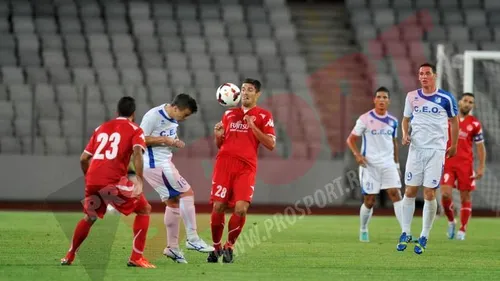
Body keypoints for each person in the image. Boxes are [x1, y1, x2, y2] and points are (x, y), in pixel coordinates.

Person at [60, 96, 156, 268]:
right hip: (113, 181)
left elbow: (83, 158)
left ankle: (70, 255)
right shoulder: (135, 129)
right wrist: (139, 181)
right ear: (133, 114)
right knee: (144, 210)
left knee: (90, 217)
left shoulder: (101, 128)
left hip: (93, 180)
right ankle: (136, 257)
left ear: (117, 112)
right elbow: (137, 153)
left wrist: (89, 179)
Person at [208, 78, 276, 263]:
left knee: (241, 208)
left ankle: (229, 246)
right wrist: (218, 136)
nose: (245, 92)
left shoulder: (264, 115)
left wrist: (252, 126)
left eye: (250, 90)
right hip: (224, 164)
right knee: (218, 206)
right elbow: (221, 144)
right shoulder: (229, 114)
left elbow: (271, 144)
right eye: (243, 89)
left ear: (257, 94)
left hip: (246, 167)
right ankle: (215, 248)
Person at [140, 93, 213, 264]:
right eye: (185, 115)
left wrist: (174, 141)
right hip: (155, 164)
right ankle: (192, 239)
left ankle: (172, 248)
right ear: (175, 108)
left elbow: (167, 137)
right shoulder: (153, 116)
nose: (185, 119)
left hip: (163, 163)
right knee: (187, 193)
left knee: (173, 203)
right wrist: (165, 139)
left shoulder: (173, 118)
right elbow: (139, 139)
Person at [397, 63, 459, 254]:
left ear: (435, 75)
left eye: (427, 73)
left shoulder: (446, 98)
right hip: (416, 150)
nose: (424, 77)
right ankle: (405, 232)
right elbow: (405, 119)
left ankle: (424, 235)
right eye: (421, 74)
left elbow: (454, 121)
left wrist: (454, 144)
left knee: (429, 194)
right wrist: (405, 134)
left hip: (436, 151)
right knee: (409, 191)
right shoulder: (411, 97)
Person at [346, 87, 403, 242]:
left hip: (388, 164)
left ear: (389, 101)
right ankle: (363, 228)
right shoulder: (364, 119)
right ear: (374, 100)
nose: (382, 100)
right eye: (379, 97)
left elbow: (394, 143)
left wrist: (397, 165)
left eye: (385, 97)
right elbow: (350, 139)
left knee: (395, 194)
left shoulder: (393, 121)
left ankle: (406, 231)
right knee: (370, 201)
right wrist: (357, 155)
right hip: (369, 165)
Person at [440, 93, 486, 240]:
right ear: (459, 102)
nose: (467, 104)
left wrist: (481, 167)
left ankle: (462, 229)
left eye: (470, 102)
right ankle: (451, 221)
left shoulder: (475, 124)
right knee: (445, 194)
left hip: (465, 165)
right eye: (465, 101)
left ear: (473, 106)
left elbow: (480, 147)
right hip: (448, 162)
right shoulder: (448, 119)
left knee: (465, 196)